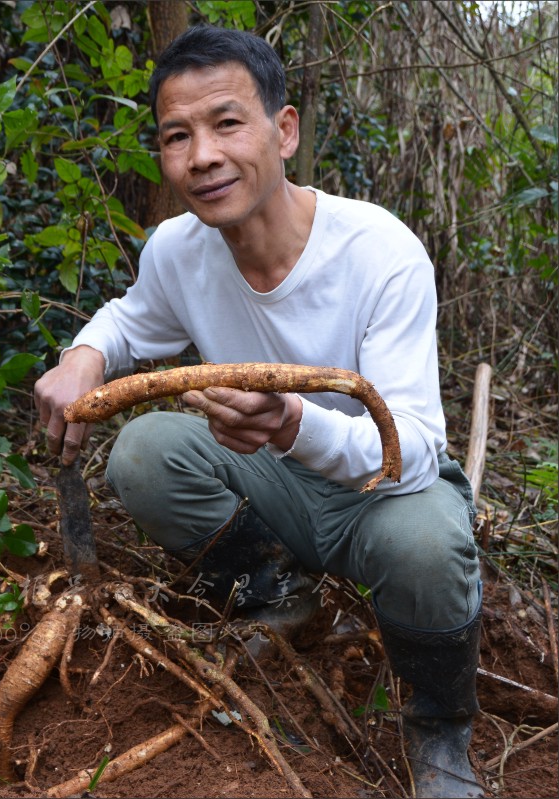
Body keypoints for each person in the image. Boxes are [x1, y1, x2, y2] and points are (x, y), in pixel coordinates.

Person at [34, 25, 483, 799]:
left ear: (284, 130)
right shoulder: (178, 250)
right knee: (142, 452)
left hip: (381, 496)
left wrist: (288, 423)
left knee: (428, 546)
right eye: (177, 136)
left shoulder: (378, 252)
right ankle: (277, 593)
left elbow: (407, 448)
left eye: (226, 123)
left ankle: (439, 730)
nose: (201, 155)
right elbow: (128, 318)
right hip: (274, 483)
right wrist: (84, 355)